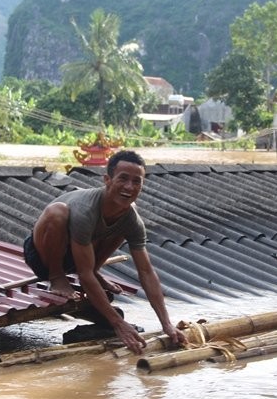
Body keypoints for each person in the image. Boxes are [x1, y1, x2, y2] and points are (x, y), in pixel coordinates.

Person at [23, 150, 187, 354]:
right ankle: (57, 276)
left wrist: (167, 324)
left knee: (123, 224)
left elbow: (146, 272)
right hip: (43, 255)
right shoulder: (86, 210)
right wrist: (118, 323)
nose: (129, 187)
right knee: (58, 212)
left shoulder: (132, 218)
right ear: (107, 180)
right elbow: (84, 277)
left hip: (79, 254)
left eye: (137, 182)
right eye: (123, 179)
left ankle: (96, 269)